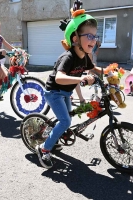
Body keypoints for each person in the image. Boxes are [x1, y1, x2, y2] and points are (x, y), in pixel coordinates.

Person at [35, 1, 103, 169]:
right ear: (75, 39)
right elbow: (59, 77)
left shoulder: (85, 56)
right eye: (89, 36)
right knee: (65, 121)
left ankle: (53, 135)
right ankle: (44, 149)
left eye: (95, 36)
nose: (93, 40)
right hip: (54, 92)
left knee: (68, 118)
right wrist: (81, 80)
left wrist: (110, 72)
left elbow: (93, 70)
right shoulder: (68, 57)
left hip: (65, 92)